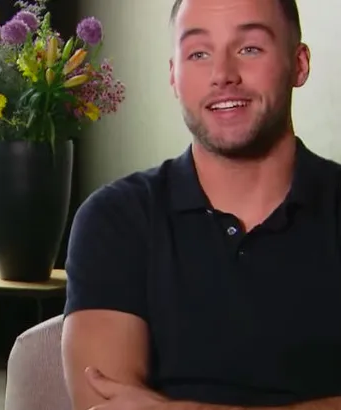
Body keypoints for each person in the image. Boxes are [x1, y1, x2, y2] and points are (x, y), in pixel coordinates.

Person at [62, 0, 341, 409]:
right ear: (173, 75)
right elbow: (102, 402)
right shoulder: (116, 219)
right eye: (198, 53)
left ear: (299, 64)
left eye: (249, 48)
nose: (223, 74)